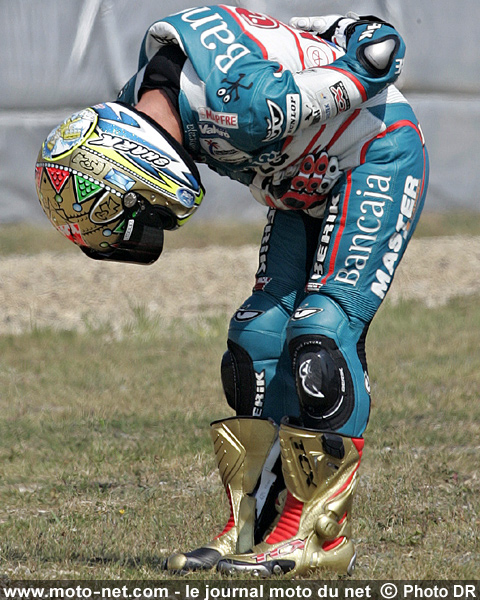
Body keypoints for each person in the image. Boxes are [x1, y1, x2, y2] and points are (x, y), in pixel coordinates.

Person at [35, 6, 429, 577]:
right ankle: (251, 527)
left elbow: (376, 59)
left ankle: (317, 537)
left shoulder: (243, 106)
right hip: (301, 183)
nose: (147, 223)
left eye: (131, 210)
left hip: (375, 158)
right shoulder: (141, 96)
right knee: (255, 339)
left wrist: (353, 31)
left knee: (320, 334)